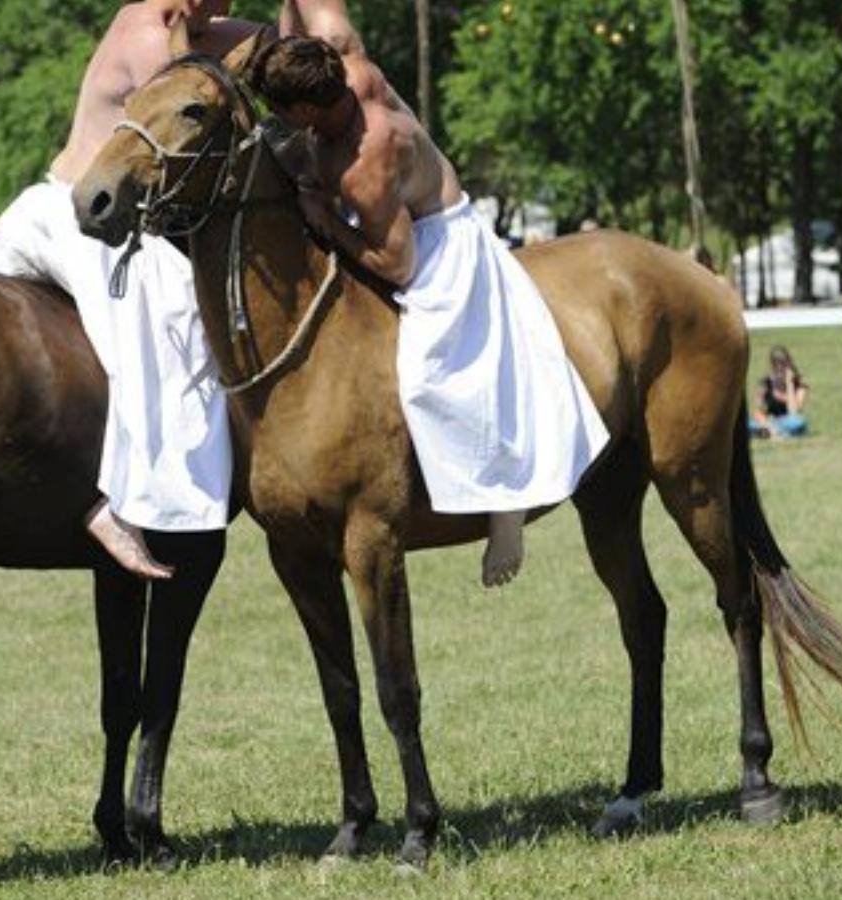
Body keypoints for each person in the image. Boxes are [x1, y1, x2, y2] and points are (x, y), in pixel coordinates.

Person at [248, 29, 610, 587]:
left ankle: (504, 503)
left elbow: (398, 266)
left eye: (280, 112)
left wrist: (325, 225)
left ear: (304, 108)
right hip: (392, 229)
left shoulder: (367, 162)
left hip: (434, 246)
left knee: (427, 374)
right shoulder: (351, 69)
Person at [0, 0, 269, 579]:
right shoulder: (150, 36)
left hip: (66, 214)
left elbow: (265, 40)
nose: (227, 7)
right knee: (177, 320)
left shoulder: (191, 27)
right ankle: (120, 504)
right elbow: (204, 85)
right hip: (75, 219)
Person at [749, 346, 809, 438]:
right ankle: (777, 433)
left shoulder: (799, 384)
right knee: (747, 423)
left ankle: (769, 433)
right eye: (776, 367)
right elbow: (757, 413)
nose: (780, 370)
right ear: (772, 366)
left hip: (788, 422)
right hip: (769, 422)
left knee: (799, 422)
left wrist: (790, 384)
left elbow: (794, 412)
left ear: (789, 364)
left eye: (783, 366)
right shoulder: (765, 384)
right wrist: (769, 425)